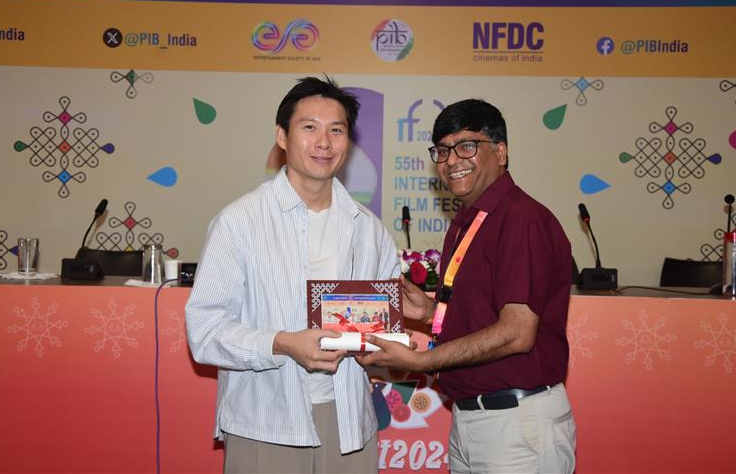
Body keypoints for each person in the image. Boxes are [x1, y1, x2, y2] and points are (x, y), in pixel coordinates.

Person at [185, 76, 399, 474]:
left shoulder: (369, 230)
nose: (324, 142)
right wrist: (282, 344)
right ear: (282, 136)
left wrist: (385, 339)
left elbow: (380, 330)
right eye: (309, 127)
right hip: (267, 419)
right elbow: (205, 330)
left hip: (349, 421)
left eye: (336, 130)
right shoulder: (239, 223)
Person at [359, 99, 577, 473]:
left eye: (467, 146)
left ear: (501, 152)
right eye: (442, 150)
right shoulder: (469, 222)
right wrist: (430, 313)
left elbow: (517, 333)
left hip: (515, 424)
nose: (452, 160)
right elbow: (486, 316)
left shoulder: (520, 218)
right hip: (472, 420)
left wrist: (421, 361)